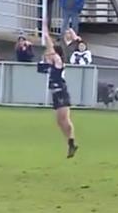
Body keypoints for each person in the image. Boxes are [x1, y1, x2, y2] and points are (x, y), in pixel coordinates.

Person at [38, 29, 78, 158]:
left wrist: (46, 36)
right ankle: (70, 143)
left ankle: (72, 142)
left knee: (64, 119)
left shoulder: (59, 63)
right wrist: (45, 56)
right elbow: (40, 67)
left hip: (61, 93)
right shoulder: (50, 66)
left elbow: (51, 51)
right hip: (55, 95)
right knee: (60, 122)